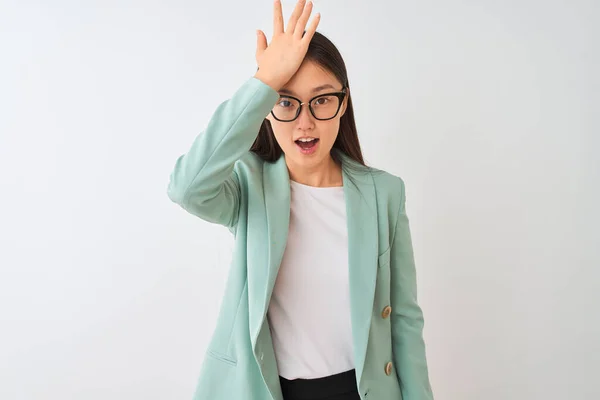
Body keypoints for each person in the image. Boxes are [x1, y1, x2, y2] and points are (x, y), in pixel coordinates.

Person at [167, 1, 434, 399]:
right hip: (270, 391)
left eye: (322, 100)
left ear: (343, 104)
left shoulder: (384, 193)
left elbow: (405, 322)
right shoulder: (247, 186)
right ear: (268, 110)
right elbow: (187, 188)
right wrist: (264, 81)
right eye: (287, 102)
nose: (305, 122)